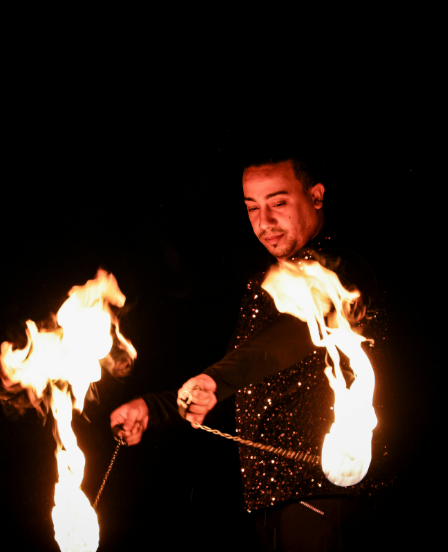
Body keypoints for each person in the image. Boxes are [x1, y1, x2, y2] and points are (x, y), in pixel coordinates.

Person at [110, 154, 392, 551]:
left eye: (277, 203)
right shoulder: (266, 287)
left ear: (315, 196)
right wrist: (156, 407)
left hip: (331, 501)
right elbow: (241, 389)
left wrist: (217, 378)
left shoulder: (345, 272)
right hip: (271, 508)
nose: (264, 223)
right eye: (252, 208)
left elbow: (294, 336)